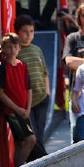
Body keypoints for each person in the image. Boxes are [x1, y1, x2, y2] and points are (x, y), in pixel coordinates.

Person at [0, 33, 36, 167]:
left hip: (23, 111)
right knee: (30, 139)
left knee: (21, 143)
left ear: (19, 48)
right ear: (3, 48)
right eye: (9, 47)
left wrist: (28, 109)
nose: (12, 50)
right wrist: (18, 109)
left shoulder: (23, 65)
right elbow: (1, 93)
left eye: (15, 47)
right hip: (12, 111)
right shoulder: (2, 67)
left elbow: (29, 89)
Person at [15, 14, 50, 152]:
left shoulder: (37, 49)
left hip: (41, 98)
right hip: (25, 102)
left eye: (31, 31)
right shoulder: (16, 51)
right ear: (17, 32)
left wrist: (47, 93)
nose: (28, 35)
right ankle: (45, 162)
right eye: (25, 31)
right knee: (32, 137)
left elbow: (44, 73)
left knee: (40, 136)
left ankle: (38, 166)